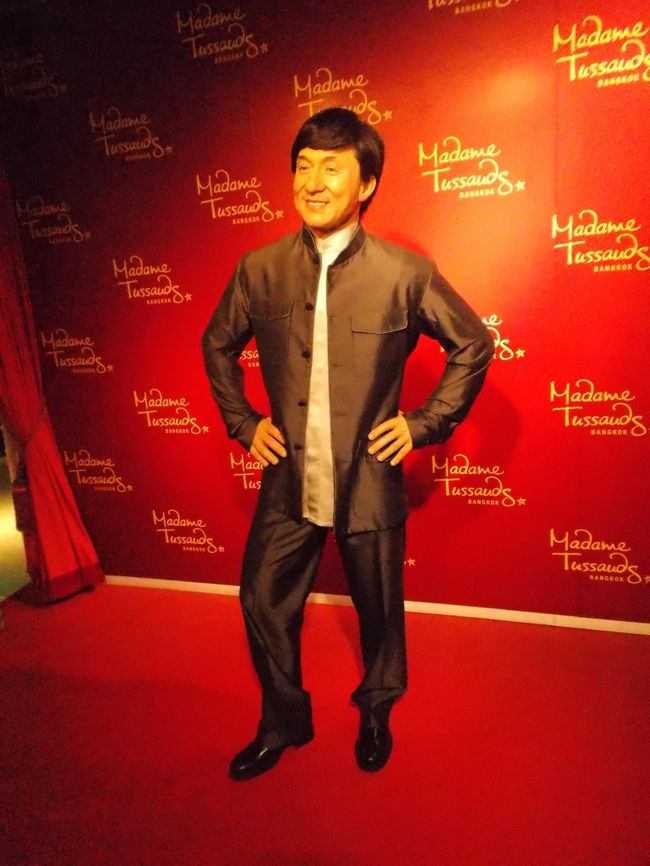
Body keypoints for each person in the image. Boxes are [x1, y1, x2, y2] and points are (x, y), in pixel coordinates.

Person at [202, 107, 493, 781]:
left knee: (379, 608)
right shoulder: (258, 269)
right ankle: (283, 720)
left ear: (366, 184)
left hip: (368, 476)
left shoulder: (406, 273)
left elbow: (473, 344)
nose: (313, 181)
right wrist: (244, 423)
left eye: (331, 168)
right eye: (302, 166)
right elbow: (216, 344)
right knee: (261, 598)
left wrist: (424, 424)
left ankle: (376, 711)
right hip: (288, 476)